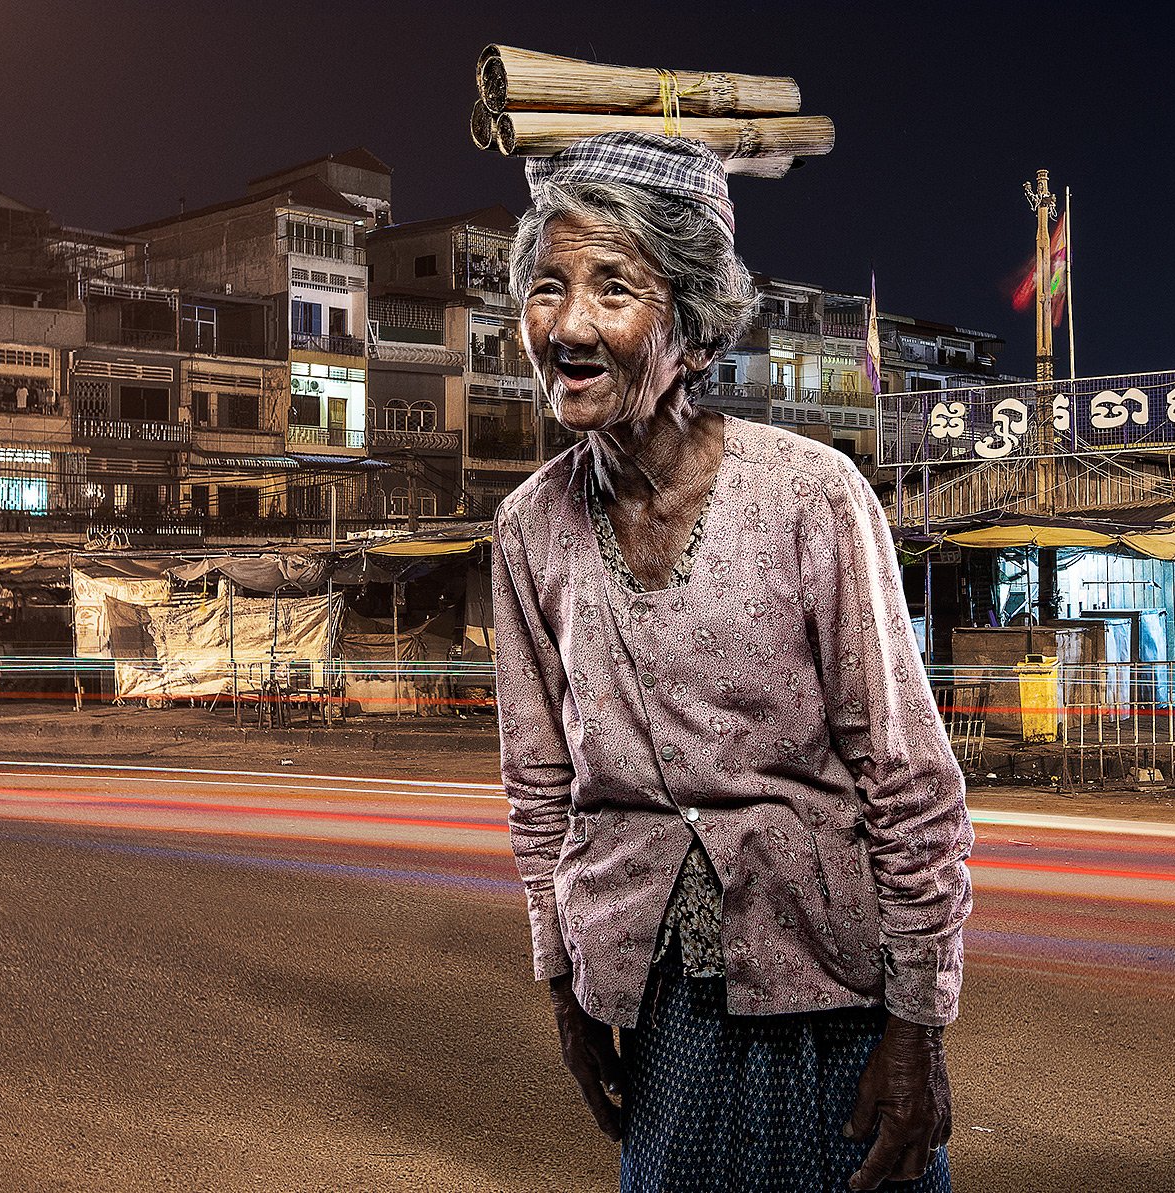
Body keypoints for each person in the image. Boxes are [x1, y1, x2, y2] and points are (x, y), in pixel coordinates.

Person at [491, 132, 974, 1193]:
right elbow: (538, 782)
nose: (568, 326)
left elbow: (909, 780)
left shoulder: (812, 496)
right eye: (545, 288)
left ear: (695, 331)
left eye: (613, 288)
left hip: (835, 995)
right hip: (654, 1001)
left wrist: (918, 1023)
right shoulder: (528, 528)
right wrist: (563, 984)